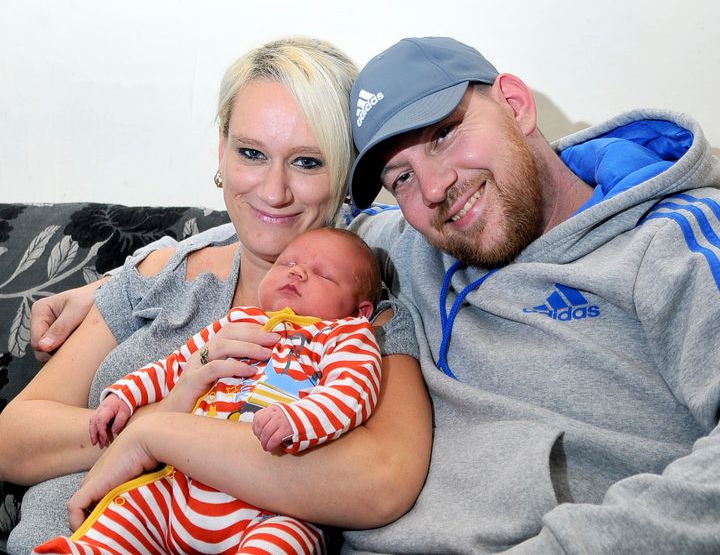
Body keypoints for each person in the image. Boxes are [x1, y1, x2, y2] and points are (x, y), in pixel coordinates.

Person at [33, 35, 720, 554]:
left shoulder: (674, 243)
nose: (437, 188)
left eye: (447, 136)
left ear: (515, 103)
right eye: (402, 176)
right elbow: (279, 222)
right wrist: (121, 275)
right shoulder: (413, 241)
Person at [0, 36, 431, 554]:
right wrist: (165, 409)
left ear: (346, 171)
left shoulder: (364, 320)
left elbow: (382, 480)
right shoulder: (164, 272)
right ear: (222, 147)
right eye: (252, 153)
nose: (274, 192)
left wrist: (162, 438)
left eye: (308, 163)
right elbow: (14, 436)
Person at [35, 227, 383, 554]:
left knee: (288, 539)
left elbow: (351, 394)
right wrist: (125, 395)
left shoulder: (345, 336)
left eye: (322, 274)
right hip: (185, 484)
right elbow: (173, 367)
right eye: (287, 263)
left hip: (271, 506)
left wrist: (297, 420)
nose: (297, 273)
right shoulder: (237, 322)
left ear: (360, 310)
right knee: (134, 506)